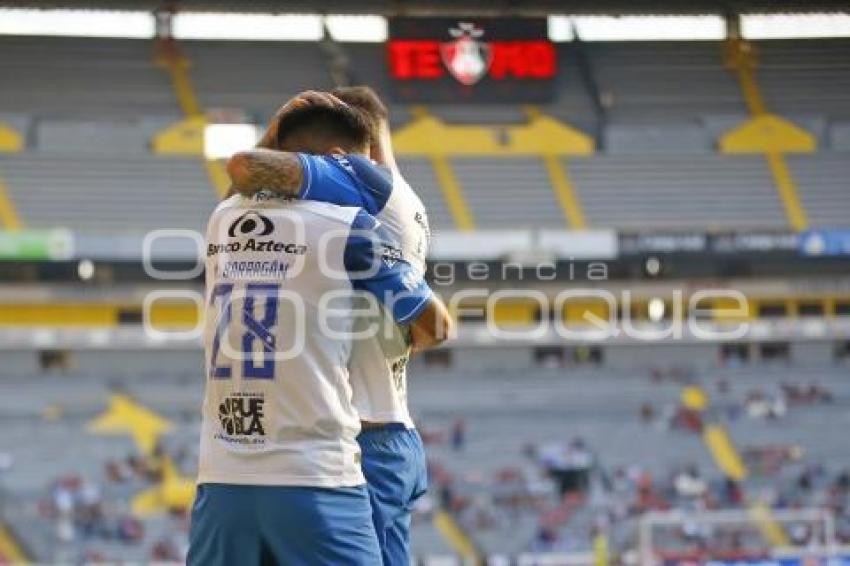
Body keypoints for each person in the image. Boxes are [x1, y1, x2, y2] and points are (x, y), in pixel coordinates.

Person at [189, 102, 452, 565]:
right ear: (334, 161)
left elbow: (246, 171)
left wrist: (276, 128)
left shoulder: (221, 219)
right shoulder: (348, 228)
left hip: (223, 473)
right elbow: (435, 323)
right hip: (315, 471)